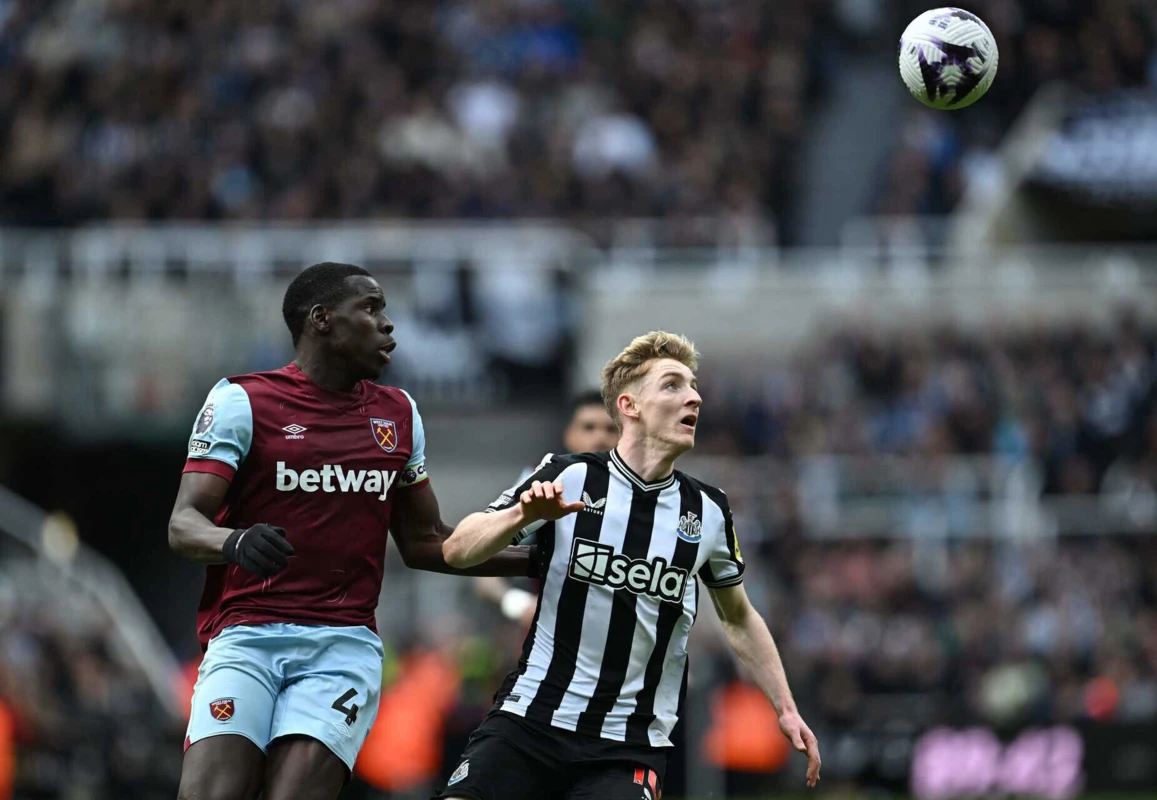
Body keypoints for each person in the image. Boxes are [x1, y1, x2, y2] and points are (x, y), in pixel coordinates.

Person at [168, 262, 540, 800]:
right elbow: (183, 524)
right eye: (371, 308)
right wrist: (236, 542)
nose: (389, 324)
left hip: (340, 648)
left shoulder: (399, 415)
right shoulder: (241, 402)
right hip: (247, 638)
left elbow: (427, 542)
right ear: (322, 320)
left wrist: (537, 560)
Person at [438, 331, 821, 800]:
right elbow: (458, 550)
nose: (694, 397)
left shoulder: (708, 511)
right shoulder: (570, 474)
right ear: (630, 406)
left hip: (628, 746)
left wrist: (785, 707)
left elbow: (738, 616)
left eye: (694, 386)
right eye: (673, 385)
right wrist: (524, 515)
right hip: (529, 721)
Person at [474, 391, 618, 625]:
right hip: (551, 645)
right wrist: (520, 606)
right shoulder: (543, 483)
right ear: (569, 435)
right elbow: (483, 560)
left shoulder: (644, 495)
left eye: (611, 429)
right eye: (588, 427)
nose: (600, 438)